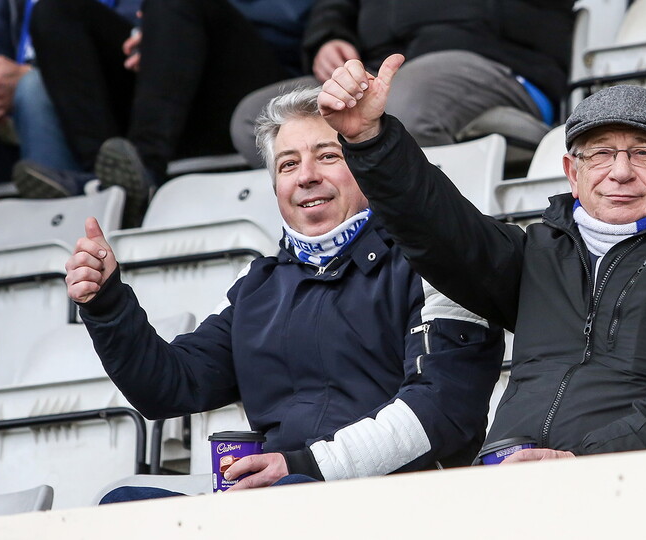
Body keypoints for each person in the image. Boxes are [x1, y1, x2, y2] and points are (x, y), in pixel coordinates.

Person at [317, 55, 646, 462]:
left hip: (640, 489)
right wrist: (370, 140)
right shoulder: (537, 252)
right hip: (511, 482)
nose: (619, 172)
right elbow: (439, 225)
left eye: (642, 154)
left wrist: (583, 463)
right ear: (572, 174)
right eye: (600, 154)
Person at [65, 86, 504, 499]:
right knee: (124, 503)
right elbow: (168, 388)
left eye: (328, 156)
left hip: (396, 500)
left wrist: (305, 467)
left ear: (368, 167)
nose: (306, 177)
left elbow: (440, 408)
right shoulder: (256, 287)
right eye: (288, 164)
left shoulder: (436, 262)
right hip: (280, 496)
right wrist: (107, 304)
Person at [14, 0, 314, 227]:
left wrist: (174, 25)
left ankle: (145, 170)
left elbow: (311, 17)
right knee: (56, 10)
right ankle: (105, 181)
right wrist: (153, 32)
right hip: (167, 87)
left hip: (254, 80)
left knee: (176, 3)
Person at [230, 0, 573, 168]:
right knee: (260, 118)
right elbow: (336, 5)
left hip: (496, 62)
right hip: (379, 68)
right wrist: (330, 37)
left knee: (405, 106)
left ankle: (421, 244)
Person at [0, 0, 129, 252]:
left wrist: (26, 74)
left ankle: (64, 247)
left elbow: (132, 41)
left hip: (105, 123)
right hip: (3, 129)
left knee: (33, 89)